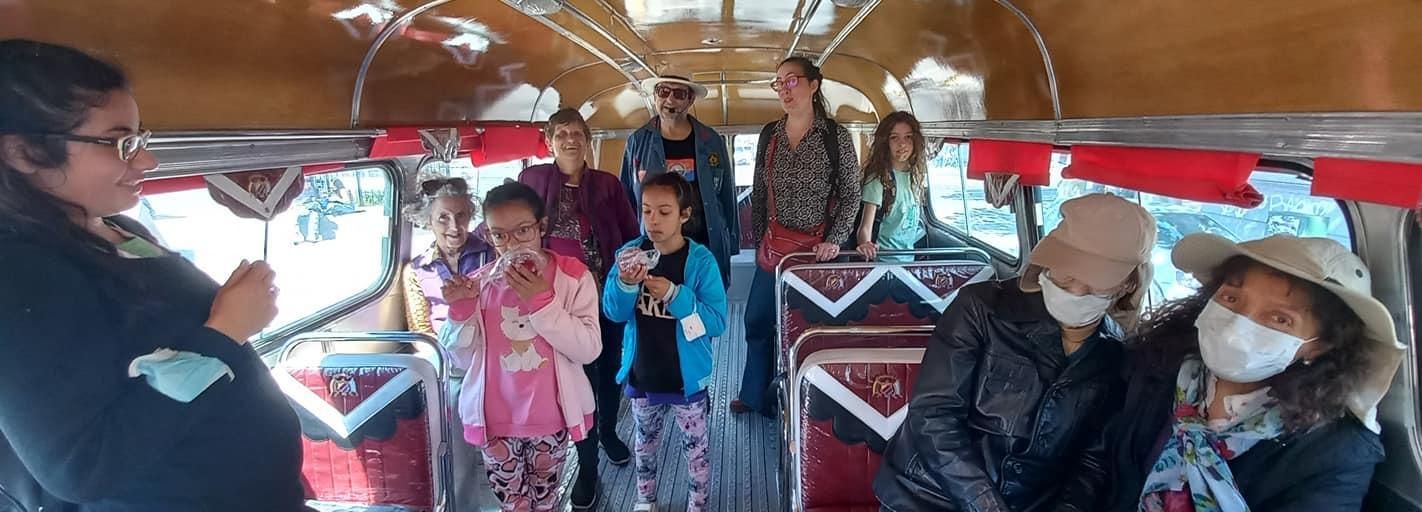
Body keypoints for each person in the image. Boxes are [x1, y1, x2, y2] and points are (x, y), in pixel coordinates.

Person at [0, 39, 306, 510]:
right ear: (24, 153)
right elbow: (82, 467)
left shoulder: (119, 230)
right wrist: (226, 331)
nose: (147, 162)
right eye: (120, 143)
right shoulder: (20, 274)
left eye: (140, 141)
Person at [1056, 233, 1404, 512]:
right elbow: (1100, 461)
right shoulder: (1159, 371)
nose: (1238, 327)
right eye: (1232, 299)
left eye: (1280, 319)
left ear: (1319, 346)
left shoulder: (1335, 452)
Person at [874, 193, 1156, 511]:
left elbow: (1091, 462)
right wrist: (987, 506)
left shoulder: (1117, 355)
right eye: (1066, 274)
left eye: (1094, 282)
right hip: (927, 495)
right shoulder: (981, 309)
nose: (1076, 290)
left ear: (1127, 285)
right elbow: (933, 415)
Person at [438, 182, 601, 512]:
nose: (512, 244)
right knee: (513, 505)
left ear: (542, 227)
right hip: (495, 420)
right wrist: (461, 311)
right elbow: (460, 360)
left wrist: (543, 302)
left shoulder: (573, 277)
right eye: (500, 235)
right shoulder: (480, 283)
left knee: (546, 501)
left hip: (551, 417)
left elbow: (588, 350)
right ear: (489, 236)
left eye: (523, 231)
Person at [518, 108, 640, 509]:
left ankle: (608, 431)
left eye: (577, 134)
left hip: (605, 294)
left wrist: (629, 279)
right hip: (557, 302)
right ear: (549, 141)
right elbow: (517, 231)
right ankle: (587, 467)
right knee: (577, 381)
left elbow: (630, 236)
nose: (570, 140)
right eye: (562, 134)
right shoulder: (532, 180)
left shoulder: (607, 185)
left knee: (609, 368)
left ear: (587, 141)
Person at [733, 56, 861, 417]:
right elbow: (760, 192)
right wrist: (760, 239)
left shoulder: (835, 136)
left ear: (813, 85)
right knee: (757, 320)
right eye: (779, 83)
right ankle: (755, 394)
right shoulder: (770, 134)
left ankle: (806, 400)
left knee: (808, 327)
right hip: (775, 247)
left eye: (792, 81)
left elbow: (851, 194)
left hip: (818, 252)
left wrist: (835, 239)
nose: (784, 90)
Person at [603, 173, 728, 512]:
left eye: (664, 211)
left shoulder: (701, 262)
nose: (653, 220)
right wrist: (626, 284)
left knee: (696, 451)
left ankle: (697, 505)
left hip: (686, 379)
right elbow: (613, 312)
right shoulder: (630, 255)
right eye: (646, 211)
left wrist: (676, 295)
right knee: (644, 445)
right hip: (643, 374)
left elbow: (716, 323)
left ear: (684, 215)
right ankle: (645, 499)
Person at [619, 74, 739, 287]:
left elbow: (726, 195)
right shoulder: (637, 142)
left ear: (690, 100)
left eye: (679, 94)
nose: (670, 100)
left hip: (705, 240)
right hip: (655, 247)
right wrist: (628, 246)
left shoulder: (711, 140)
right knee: (657, 300)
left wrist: (731, 242)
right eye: (663, 91)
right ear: (655, 96)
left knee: (704, 301)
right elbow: (626, 199)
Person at [402, 177, 493, 335]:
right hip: (442, 347)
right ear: (429, 221)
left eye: (461, 215)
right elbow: (422, 333)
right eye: (443, 218)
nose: (454, 227)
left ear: (470, 215)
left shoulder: (492, 254)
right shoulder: (416, 271)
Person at [852, 111, 928, 262]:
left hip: (909, 263)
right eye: (894, 138)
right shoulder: (878, 179)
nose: (902, 144)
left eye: (908, 137)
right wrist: (865, 245)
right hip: (883, 265)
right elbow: (865, 228)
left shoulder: (916, 176)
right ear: (885, 142)